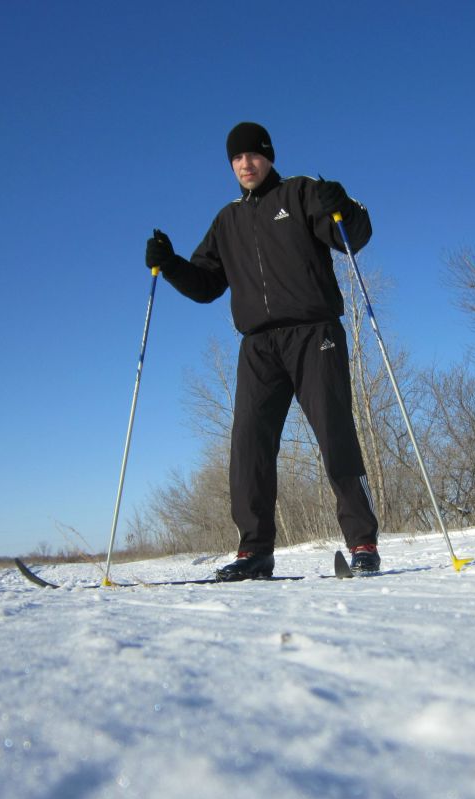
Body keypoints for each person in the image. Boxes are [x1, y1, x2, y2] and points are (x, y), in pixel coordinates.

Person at [145, 122, 381, 581]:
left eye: (253, 155)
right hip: (258, 345)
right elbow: (206, 284)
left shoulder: (301, 193)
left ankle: (363, 544)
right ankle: (255, 551)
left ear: (269, 156)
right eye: (236, 158)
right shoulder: (227, 220)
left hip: (315, 333)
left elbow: (352, 234)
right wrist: (169, 263)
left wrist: (345, 207)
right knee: (248, 445)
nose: (245, 164)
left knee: (334, 434)